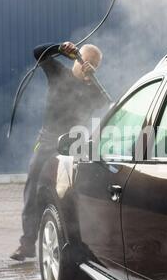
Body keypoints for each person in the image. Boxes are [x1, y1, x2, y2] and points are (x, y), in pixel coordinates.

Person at [10, 41, 108, 261]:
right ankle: (26, 245)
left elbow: (106, 101)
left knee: (74, 192)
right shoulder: (58, 74)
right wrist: (59, 48)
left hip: (73, 145)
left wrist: (92, 80)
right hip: (47, 141)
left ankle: (79, 245)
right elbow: (38, 53)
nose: (88, 65)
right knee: (33, 190)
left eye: (93, 64)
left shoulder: (92, 90)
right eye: (85, 60)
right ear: (76, 59)